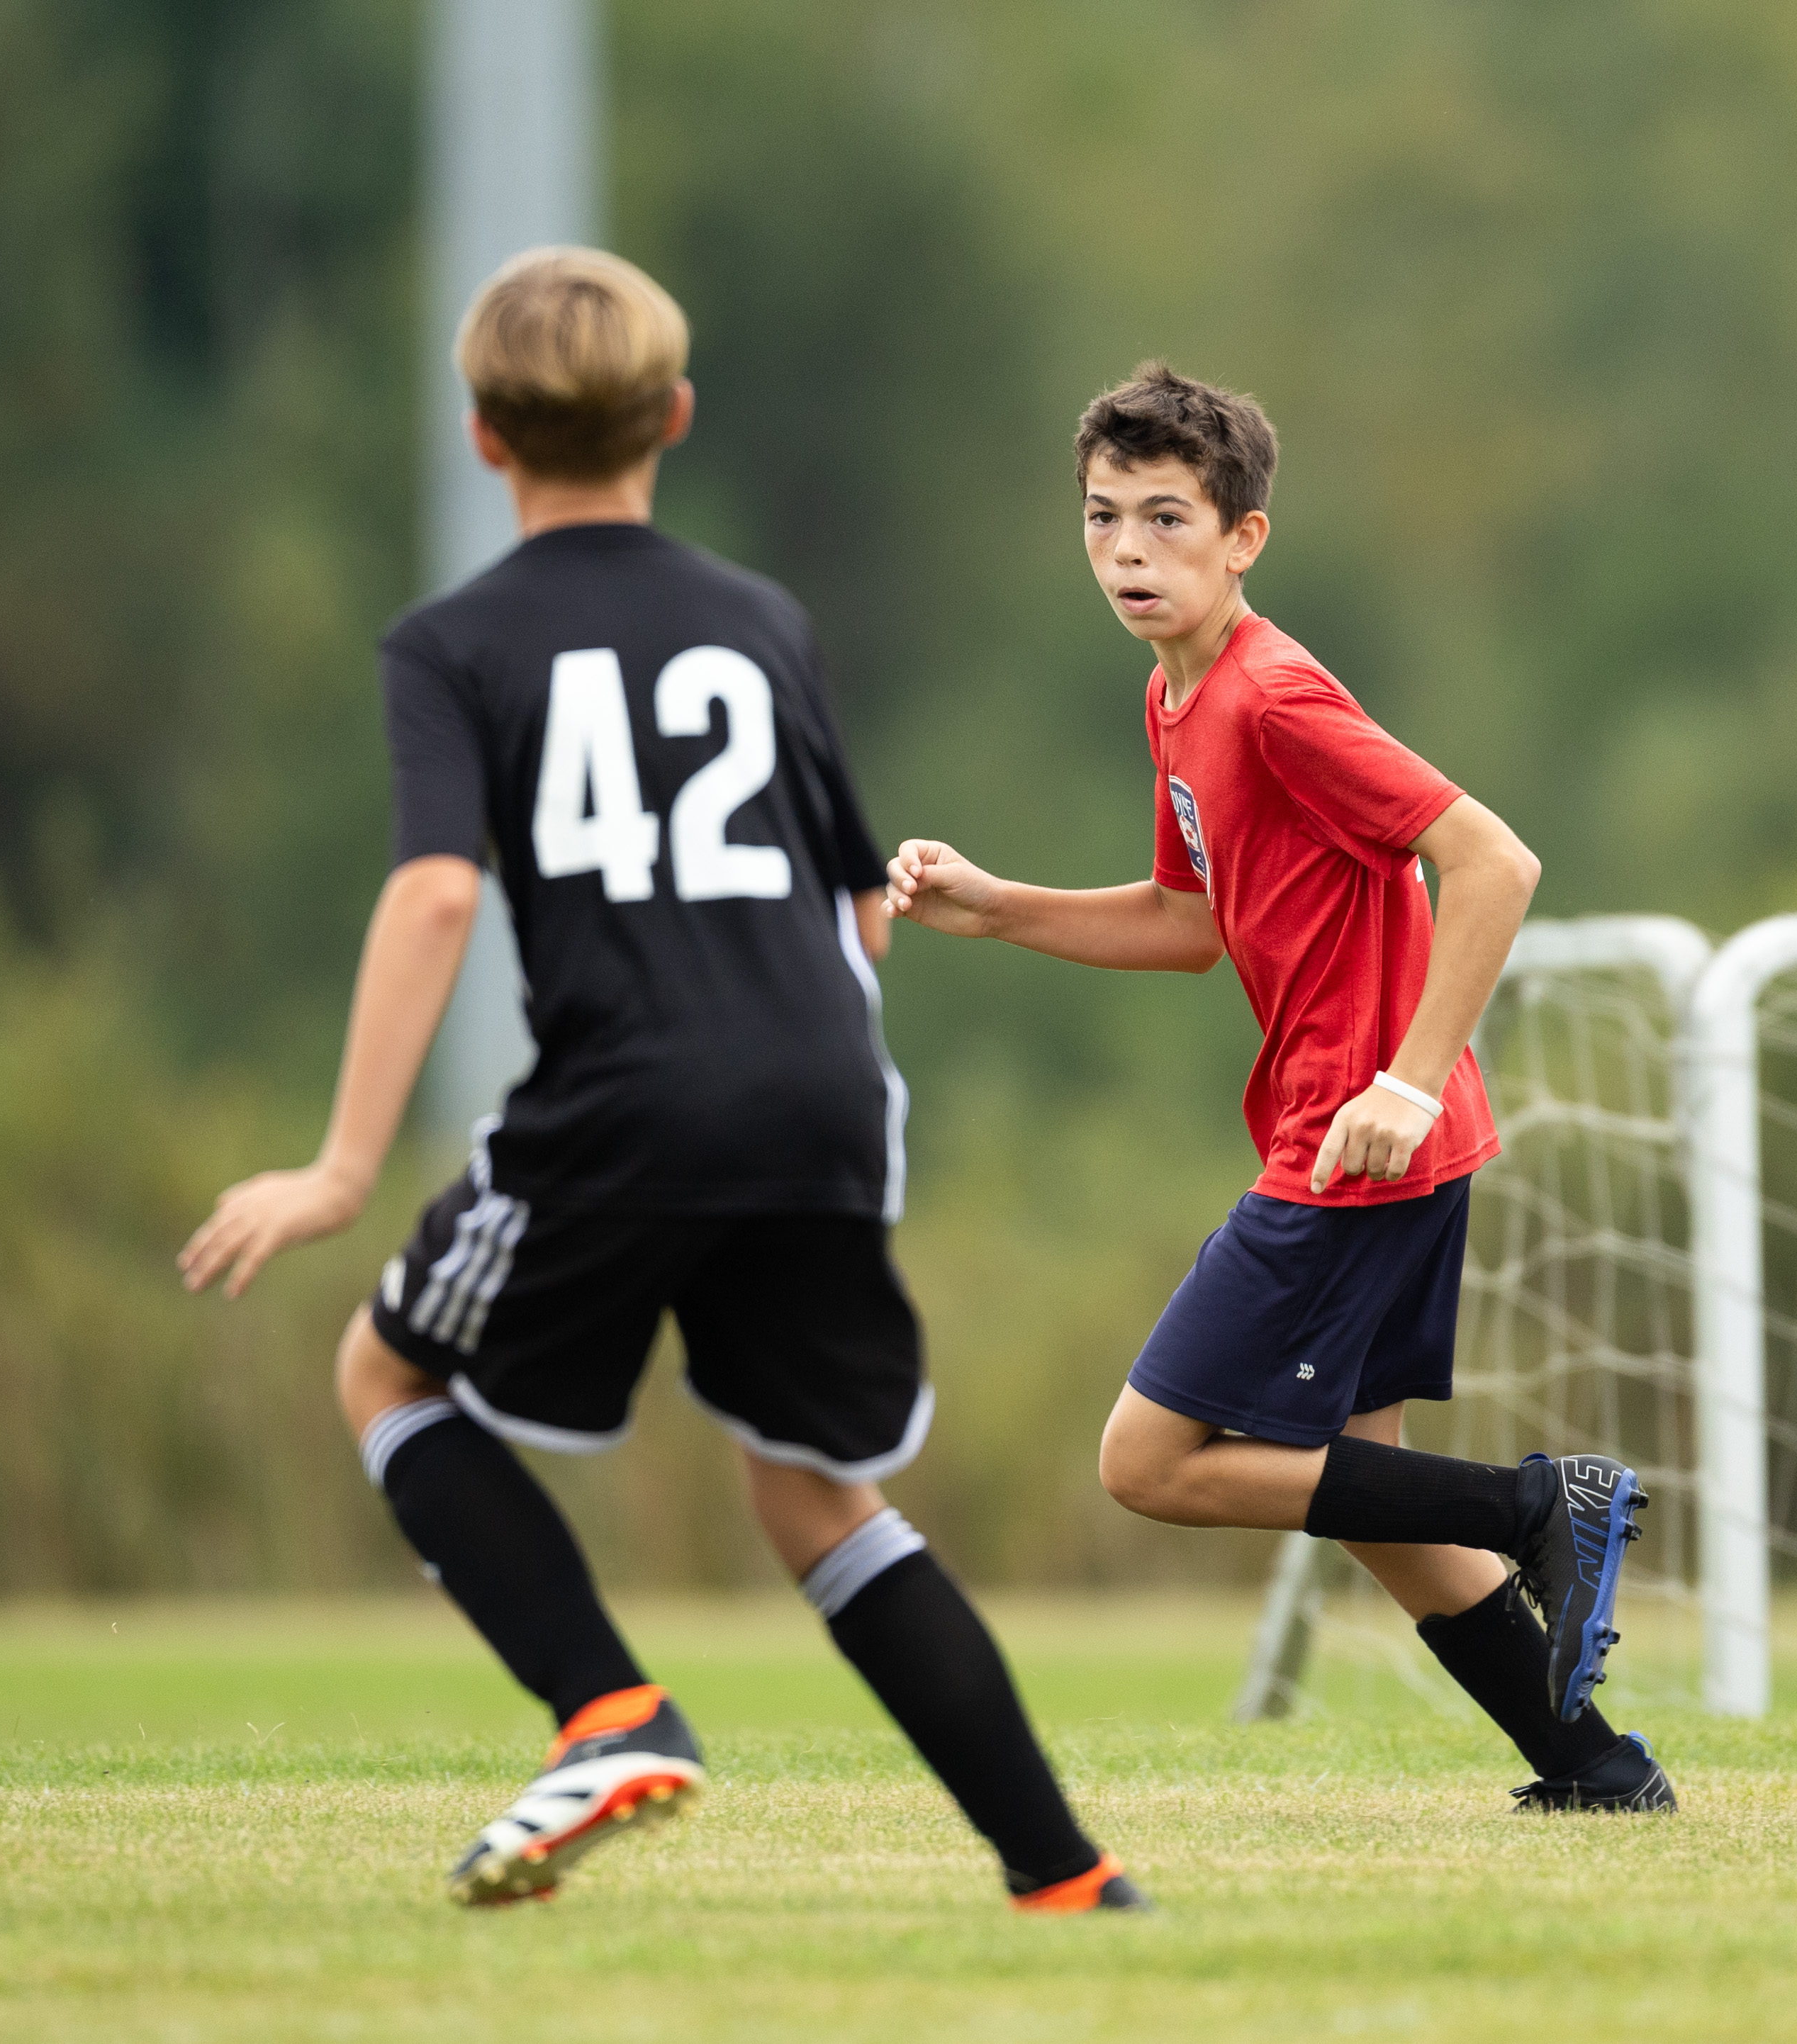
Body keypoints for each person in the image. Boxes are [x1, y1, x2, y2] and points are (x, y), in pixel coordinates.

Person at [178, 249, 1146, 1909]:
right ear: (675, 417)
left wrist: (340, 1166)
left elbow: (434, 893)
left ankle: (609, 1712)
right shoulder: (762, 620)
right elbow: (861, 904)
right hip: (824, 1092)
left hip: (631, 1094)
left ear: (484, 436)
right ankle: (1066, 1876)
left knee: (388, 1371)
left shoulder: (451, 644)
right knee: (813, 1487)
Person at [883, 364, 1672, 1813]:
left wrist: (1406, 1083)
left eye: (1166, 518)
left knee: (1149, 1461)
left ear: (1243, 536)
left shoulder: (1272, 696)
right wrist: (997, 909)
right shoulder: (1176, 697)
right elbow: (1189, 921)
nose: (1127, 549)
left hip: (1358, 1148)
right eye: (1102, 516)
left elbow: (1493, 862)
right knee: (1362, 1492)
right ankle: (1597, 1767)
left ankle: (1536, 1503)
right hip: (1379, 1146)